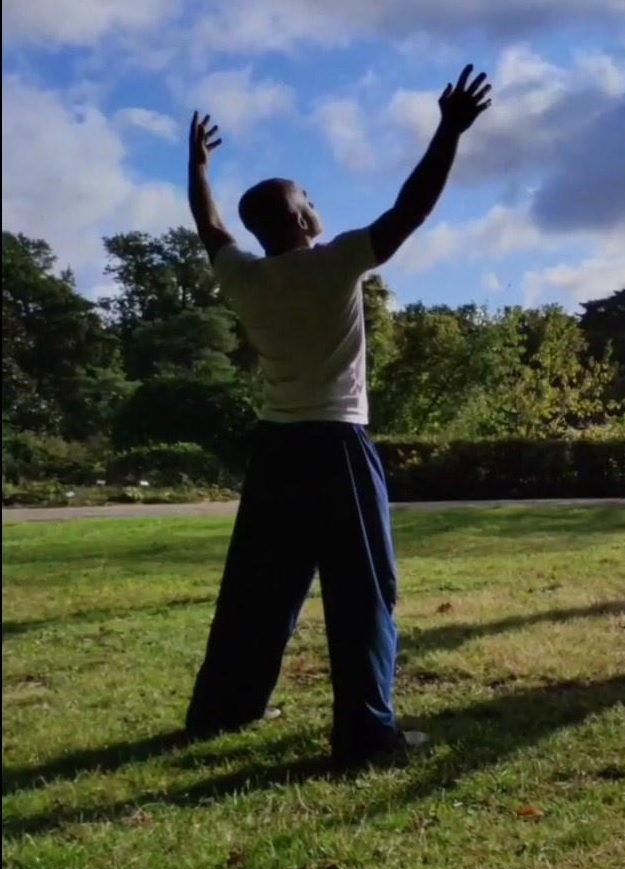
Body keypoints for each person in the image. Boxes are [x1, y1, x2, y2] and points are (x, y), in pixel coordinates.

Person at [181, 66, 493, 768]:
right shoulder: (334, 263)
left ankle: (220, 712)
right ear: (299, 219)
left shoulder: (242, 276)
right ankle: (364, 735)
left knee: (257, 592)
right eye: (308, 199)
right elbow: (409, 211)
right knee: (364, 593)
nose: (316, 205)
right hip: (337, 447)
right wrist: (449, 130)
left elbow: (208, 223)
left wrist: (196, 167)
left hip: (274, 452)